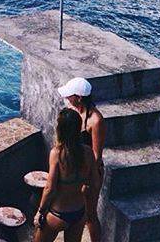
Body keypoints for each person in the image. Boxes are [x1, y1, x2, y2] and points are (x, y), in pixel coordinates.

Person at [33, 108, 98, 242]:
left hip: (58, 213)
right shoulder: (88, 152)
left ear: (60, 129)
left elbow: (49, 189)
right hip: (79, 212)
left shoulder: (57, 154)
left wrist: (40, 211)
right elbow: (95, 183)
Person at [58, 77, 106, 242]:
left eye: (70, 95)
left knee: (90, 215)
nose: (67, 98)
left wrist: (87, 180)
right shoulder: (72, 111)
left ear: (79, 97)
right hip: (75, 169)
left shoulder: (96, 120)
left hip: (89, 172)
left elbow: (96, 156)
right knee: (76, 213)